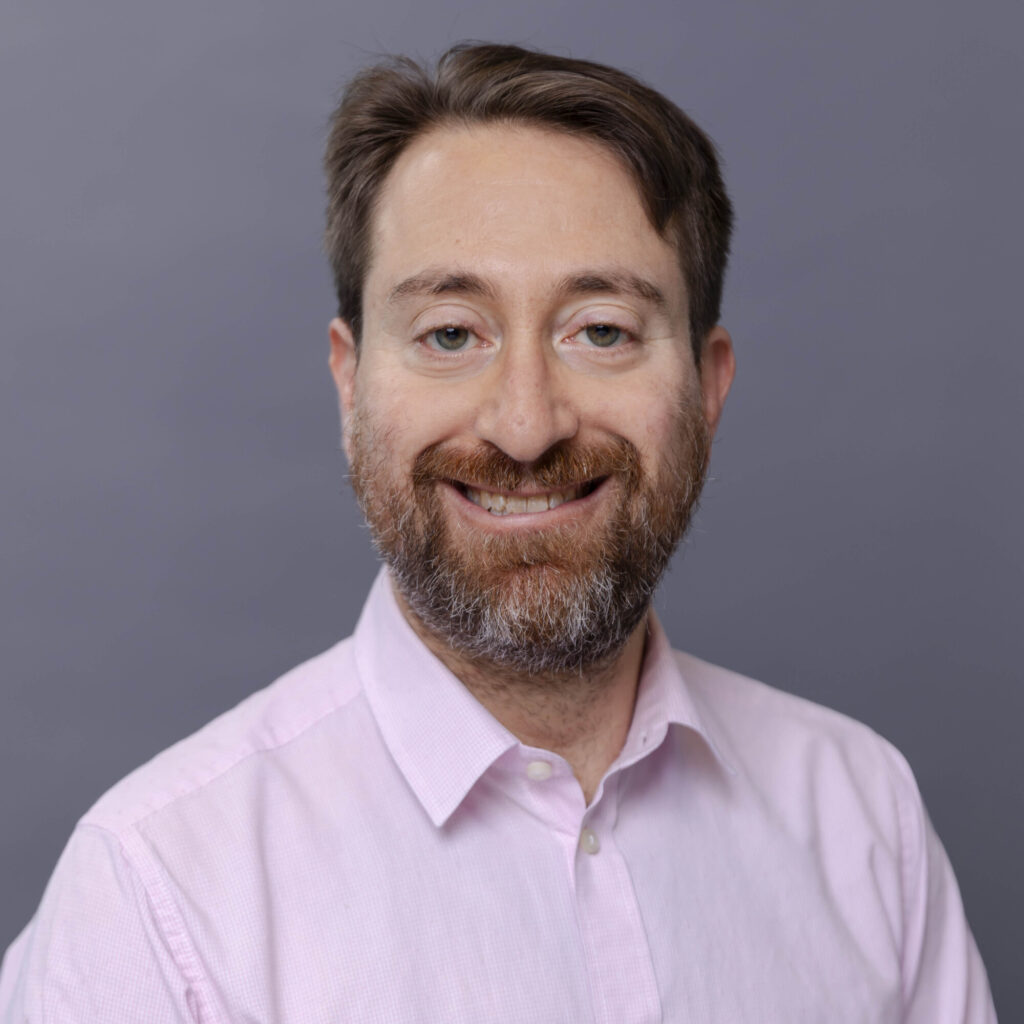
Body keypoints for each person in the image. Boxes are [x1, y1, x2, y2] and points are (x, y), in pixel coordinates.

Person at [0, 42, 996, 1023]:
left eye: (600, 330)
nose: (525, 425)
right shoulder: (155, 893)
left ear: (708, 385)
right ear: (350, 382)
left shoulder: (865, 818)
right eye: (449, 334)